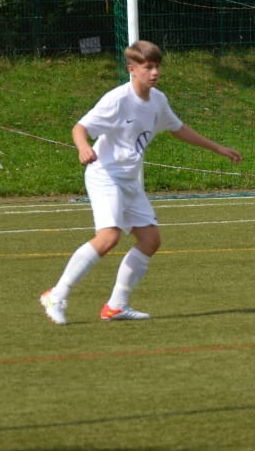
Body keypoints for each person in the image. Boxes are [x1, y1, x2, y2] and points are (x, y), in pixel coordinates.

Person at [39, 40, 242, 325]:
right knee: (109, 238)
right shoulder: (117, 100)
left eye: (157, 66)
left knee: (150, 240)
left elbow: (178, 128)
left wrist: (217, 148)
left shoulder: (158, 100)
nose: (155, 72)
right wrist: (83, 147)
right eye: (148, 67)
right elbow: (80, 127)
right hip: (105, 175)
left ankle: (116, 306)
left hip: (129, 180)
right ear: (132, 69)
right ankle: (56, 295)